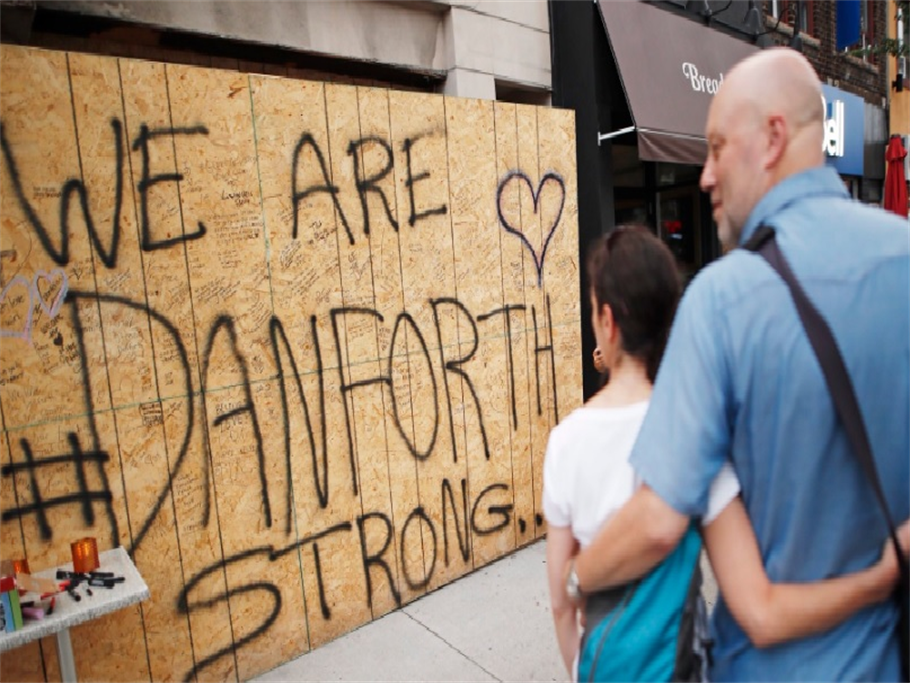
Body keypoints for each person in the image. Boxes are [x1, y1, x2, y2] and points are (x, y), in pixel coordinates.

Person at [570, 47, 910, 681]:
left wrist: (573, 576)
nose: (704, 175)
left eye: (718, 147)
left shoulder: (721, 300)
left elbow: (657, 520)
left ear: (773, 137)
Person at [546, 226, 907, 681]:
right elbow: (757, 606)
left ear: (607, 321)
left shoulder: (565, 442)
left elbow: (562, 603)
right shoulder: (696, 433)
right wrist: (880, 577)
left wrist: (582, 667)